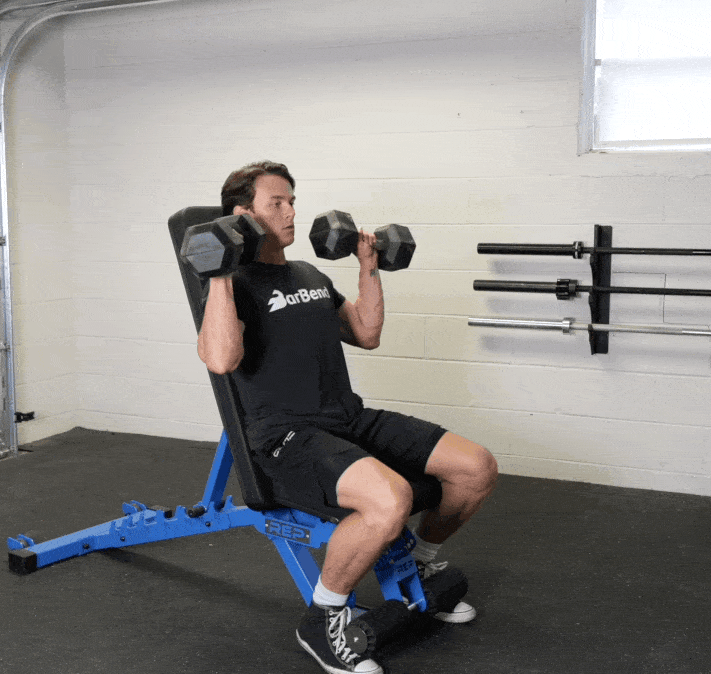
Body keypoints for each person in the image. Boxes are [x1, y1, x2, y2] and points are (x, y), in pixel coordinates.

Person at [197, 161, 498, 674]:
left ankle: (421, 563)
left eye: (293, 200)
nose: (293, 211)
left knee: (476, 467)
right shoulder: (234, 283)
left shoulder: (308, 274)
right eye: (278, 203)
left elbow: (365, 332)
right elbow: (221, 359)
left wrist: (367, 266)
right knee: (391, 498)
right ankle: (323, 617)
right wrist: (221, 273)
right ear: (242, 216)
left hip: (347, 419)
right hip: (286, 437)